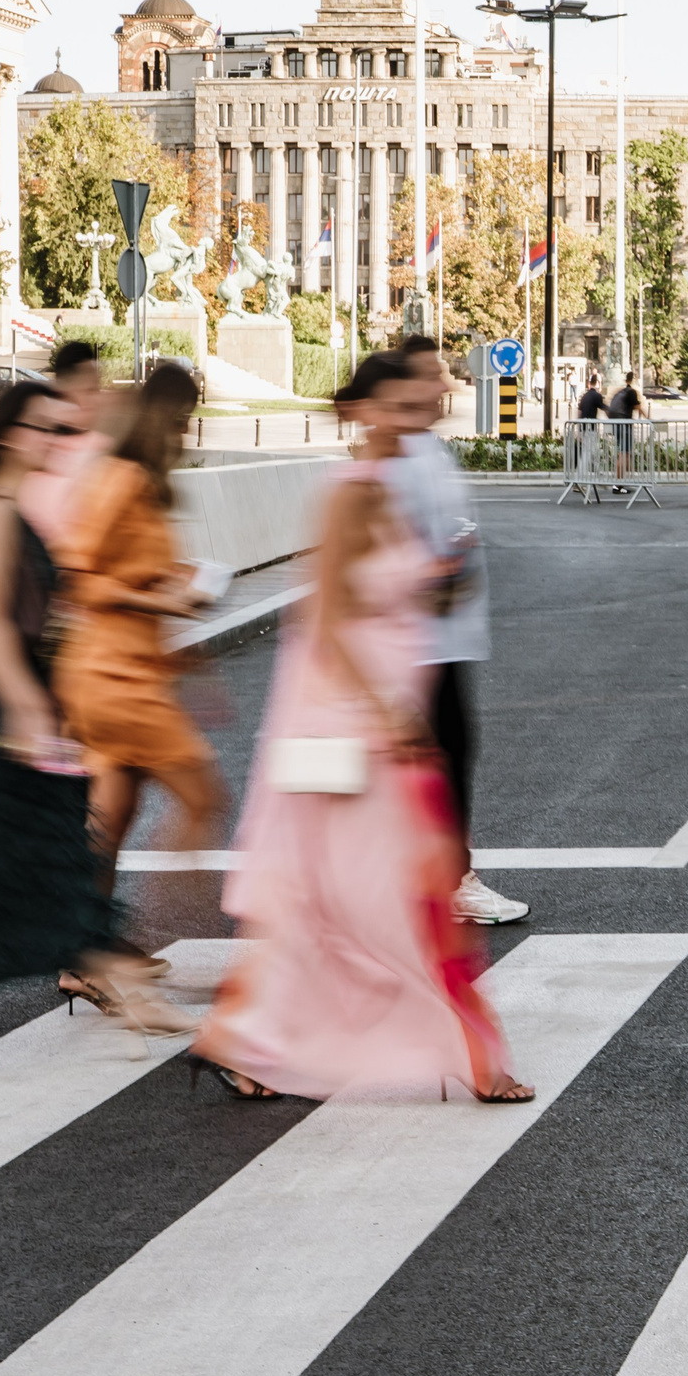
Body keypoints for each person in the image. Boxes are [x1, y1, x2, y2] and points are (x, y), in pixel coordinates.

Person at [192, 352, 529, 1104]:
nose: (417, 416)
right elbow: (326, 618)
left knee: (360, 889)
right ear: (365, 410)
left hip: (386, 710)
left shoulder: (391, 484)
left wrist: (441, 585)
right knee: (372, 889)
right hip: (351, 720)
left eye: (421, 405)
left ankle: (248, 1038)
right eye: (401, 406)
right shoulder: (347, 492)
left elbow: (403, 599)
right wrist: (385, 711)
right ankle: (468, 1053)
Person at [0, 384, 189, 1076]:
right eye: (45, 427)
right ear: (8, 435)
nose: (58, 439)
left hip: (23, 715)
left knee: (52, 855)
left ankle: (109, 972)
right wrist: (27, 705)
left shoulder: (17, 508)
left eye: (63, 428)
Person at [55, 361, 230, 941]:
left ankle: (86, 952)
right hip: (113, 678)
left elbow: (135, 572)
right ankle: (169, 925)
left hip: (125, 674)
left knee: (111, 822)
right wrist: (165, 604)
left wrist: (178, 590)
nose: (185, 435)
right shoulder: (121, 479)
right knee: (205, 797)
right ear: (160, 416)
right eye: (182, 421)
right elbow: (78, 577)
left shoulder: (139, 485)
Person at [396, 335, 527, 927]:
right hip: (419, 649)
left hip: (444, 643)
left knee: (441, 762)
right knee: (438, 765)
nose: (446, 384)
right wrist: (443, 572)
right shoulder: (400, 460)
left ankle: (428, 878)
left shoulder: (429, 450)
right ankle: (450, 882)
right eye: (432, 374)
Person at [20, 340, 116, 551]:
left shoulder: (108, 452)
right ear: (63, 388)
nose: (96, 400)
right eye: (89, 390)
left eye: (97, 390)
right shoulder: (35, 449)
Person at [606, 372, 643, 491]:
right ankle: (618, 484)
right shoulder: (631, 392)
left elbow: (609, 410)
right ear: (633, 380)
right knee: (624, 454)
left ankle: (620, 483)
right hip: (625, 425)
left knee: (623, 453)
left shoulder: (620, 392)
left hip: (617, 425)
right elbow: (638, 408)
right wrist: (649, 419)